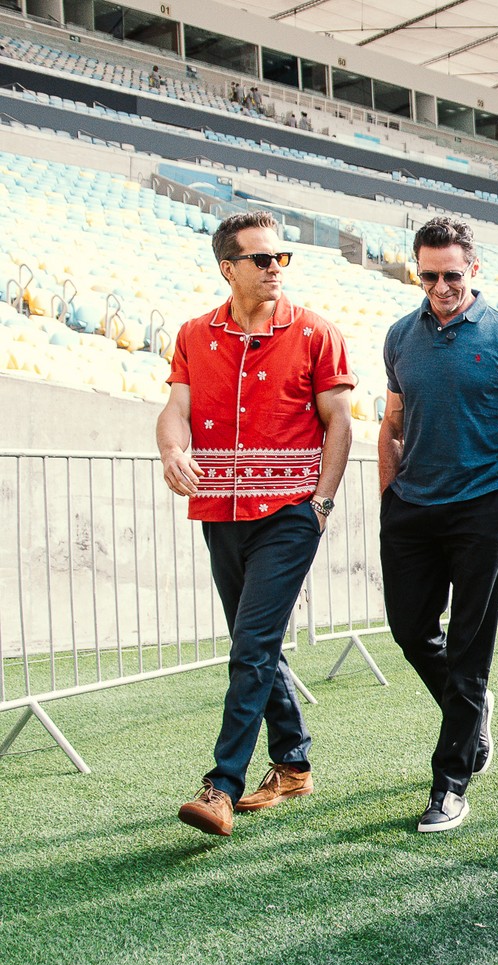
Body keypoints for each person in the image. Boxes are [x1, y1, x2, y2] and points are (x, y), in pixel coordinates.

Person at [158, 211, 355, 837]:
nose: (276, 269)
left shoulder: (317, 333)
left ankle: (222, 784)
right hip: (221, 509)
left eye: (281, 259)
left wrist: (320, 505)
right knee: (257, 644)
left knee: (249, 646)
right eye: (262, 260)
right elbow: (175, 411)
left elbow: (340, 425)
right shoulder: (194, 334)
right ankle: (293, 763)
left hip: (292, 512)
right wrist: (171, 450)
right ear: (228, 268)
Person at [379, 217, 498, 833]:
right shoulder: (401, 335)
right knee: (409, 630)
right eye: (429, 275)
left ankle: (451, 783)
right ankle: (473, 709)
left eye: (452, 274)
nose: (441, 286)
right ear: (416, 271)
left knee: (470, 648)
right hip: (411, 510)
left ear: (473, 269)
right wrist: (388, 494)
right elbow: (392, 422)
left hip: (480, 507)